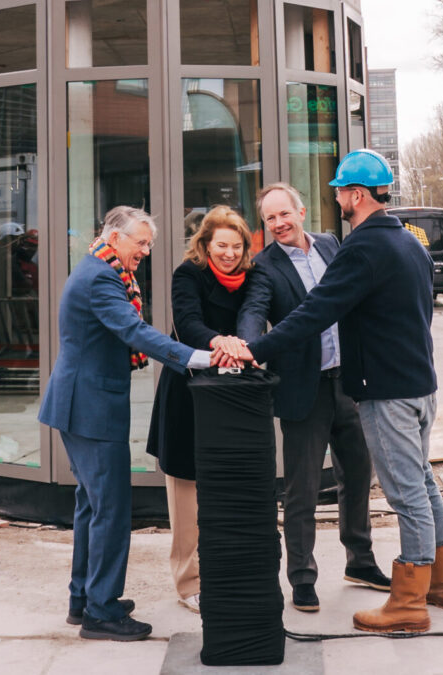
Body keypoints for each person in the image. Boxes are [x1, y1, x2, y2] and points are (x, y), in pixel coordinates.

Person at [242, 150, 443, 634]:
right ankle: (441, 586)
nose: (337, 198)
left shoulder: (358, 247)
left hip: (384, 392)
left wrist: (255, 350)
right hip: (420, 384)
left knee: (406, 495)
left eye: (340, 191)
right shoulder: (409, 243)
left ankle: (409, 603)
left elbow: (315, 311)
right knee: (423, 483)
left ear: (357, 195)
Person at [38, 206, 220, 642]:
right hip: (91, 409)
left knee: (92, 507)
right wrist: (195, 357)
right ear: (114, 237)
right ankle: (101, 613)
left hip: (81, 406)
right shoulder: (102, 278)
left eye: (149, 244)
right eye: (140, 242)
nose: (146, 250)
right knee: (112, 512)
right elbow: (133, 331)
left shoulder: (96, 268)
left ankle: (84, 599)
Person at [236, 183, 389, 613]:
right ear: (264, 224)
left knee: (358, 475)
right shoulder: (263, 266)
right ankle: (302, 576)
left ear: (301, 211)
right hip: (303, 389)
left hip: (350, 383)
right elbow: (253, 310)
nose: (279, 223)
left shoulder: (330, 244)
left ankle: (360, 561)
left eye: (285, 214)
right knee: (302, 489)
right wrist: (249, 347)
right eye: (270, 219)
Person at [146, 206, 254, 615]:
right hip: (187, 394)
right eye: (221, 245)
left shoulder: (252, 277)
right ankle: (188, 582)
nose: (228, 253)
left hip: (231, 394)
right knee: (186, 495)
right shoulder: (187, 275)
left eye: (236, 245)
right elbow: (188, 326)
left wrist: (238, 344)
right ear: (205, 244)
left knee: (226, 490)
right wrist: (226, 344)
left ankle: (224, 571)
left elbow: (254, 318)